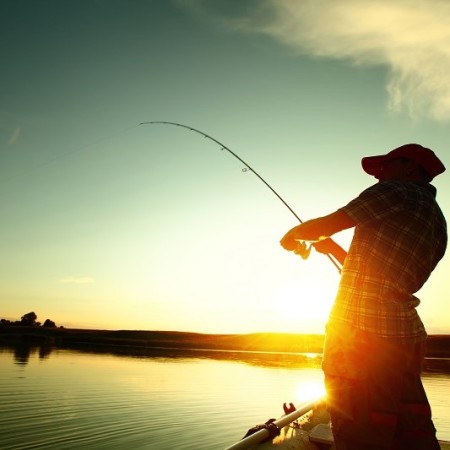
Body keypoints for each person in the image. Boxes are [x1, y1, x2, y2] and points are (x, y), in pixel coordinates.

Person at [280, 144, 447, 450]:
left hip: (363, 337)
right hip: (406, 338)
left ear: (409, 168)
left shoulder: (396, 191)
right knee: (410, 427)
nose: (379, 175)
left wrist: (293, 235)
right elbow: (383, 276)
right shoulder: (437, 220)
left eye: (386, 167)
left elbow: (330, 223)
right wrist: (331, 248)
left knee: (360, 426)